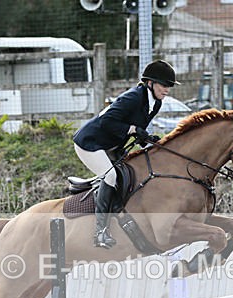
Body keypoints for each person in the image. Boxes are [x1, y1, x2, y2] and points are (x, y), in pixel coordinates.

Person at [73, 59, 179, 249]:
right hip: (90, 143)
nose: (167, 90)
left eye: (169, 86)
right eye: (164, 85)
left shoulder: (155, 104)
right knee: (111, 175)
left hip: (110, 145)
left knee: (129, 174)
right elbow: (107, 121)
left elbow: (137, 131)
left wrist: (148, 138)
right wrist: (132, 128)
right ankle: (100, 232)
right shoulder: (133, 97)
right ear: (150, 83)